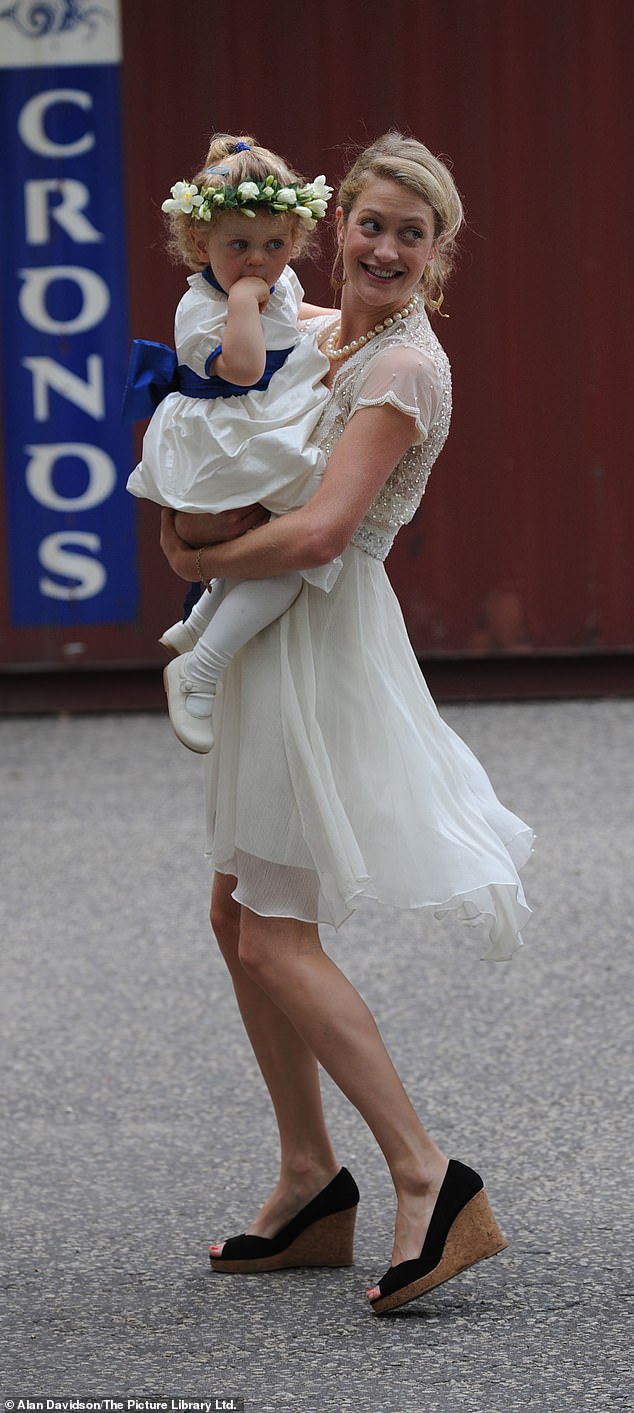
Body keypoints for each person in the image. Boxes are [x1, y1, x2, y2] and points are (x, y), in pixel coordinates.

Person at [159, 132, 534, 1316]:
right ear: (343, 228)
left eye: (408, 233)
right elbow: (232, 269)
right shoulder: (322, 327)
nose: (382, 245)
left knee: (274, 935)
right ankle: (311, 1181)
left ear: (439, 252)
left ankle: (428, 1175)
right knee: (238, 918)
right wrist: (237, 161)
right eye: (367, 223)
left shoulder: (401, 370)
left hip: (317, 641)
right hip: (270, 638)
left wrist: (181, 549)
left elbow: (323, 533)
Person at [124, 133, 336, 753]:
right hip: (224, 437)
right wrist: (243, 301)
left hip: (262, 424)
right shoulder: (201, 307)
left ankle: (198, 626)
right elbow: (244, 368)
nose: (258, 263)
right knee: (287, 562)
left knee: (274, 548)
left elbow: (297, 319)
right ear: (199, 244)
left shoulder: (281, 280)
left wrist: (353, 323)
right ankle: (200, 671)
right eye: (237, 247)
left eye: (275, 246)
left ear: (295, 242)